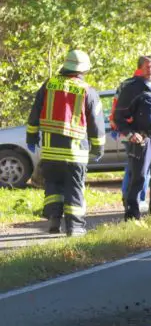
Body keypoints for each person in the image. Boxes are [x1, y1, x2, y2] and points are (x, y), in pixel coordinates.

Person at [26, 50, 106, 236]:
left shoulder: (49, 85)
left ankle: (54, 221)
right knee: (74, 188)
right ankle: (75, 227)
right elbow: (96, 123)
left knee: (53, 185)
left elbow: (35, 112)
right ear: (83, 70)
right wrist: (97, 148)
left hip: (50, 151)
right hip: (75, 153)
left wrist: (31, 138)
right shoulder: (88, 91)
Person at [113, 55, 151, 221]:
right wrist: (130, 134)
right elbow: (118, 118)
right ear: (140, 68)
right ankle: (132, 216)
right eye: (148, 67)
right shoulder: (132, 89)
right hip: (141, 140)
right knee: (139, 177)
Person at [109, 60, 151, 209]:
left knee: (133, 167)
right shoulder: (136, 86)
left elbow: (115, 106)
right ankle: (136, 200)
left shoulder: (125, 83)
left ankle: (128, 197)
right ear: (141, 68)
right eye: (149, 67)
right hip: (134, 132)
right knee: (140, 169)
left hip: (127, 131)